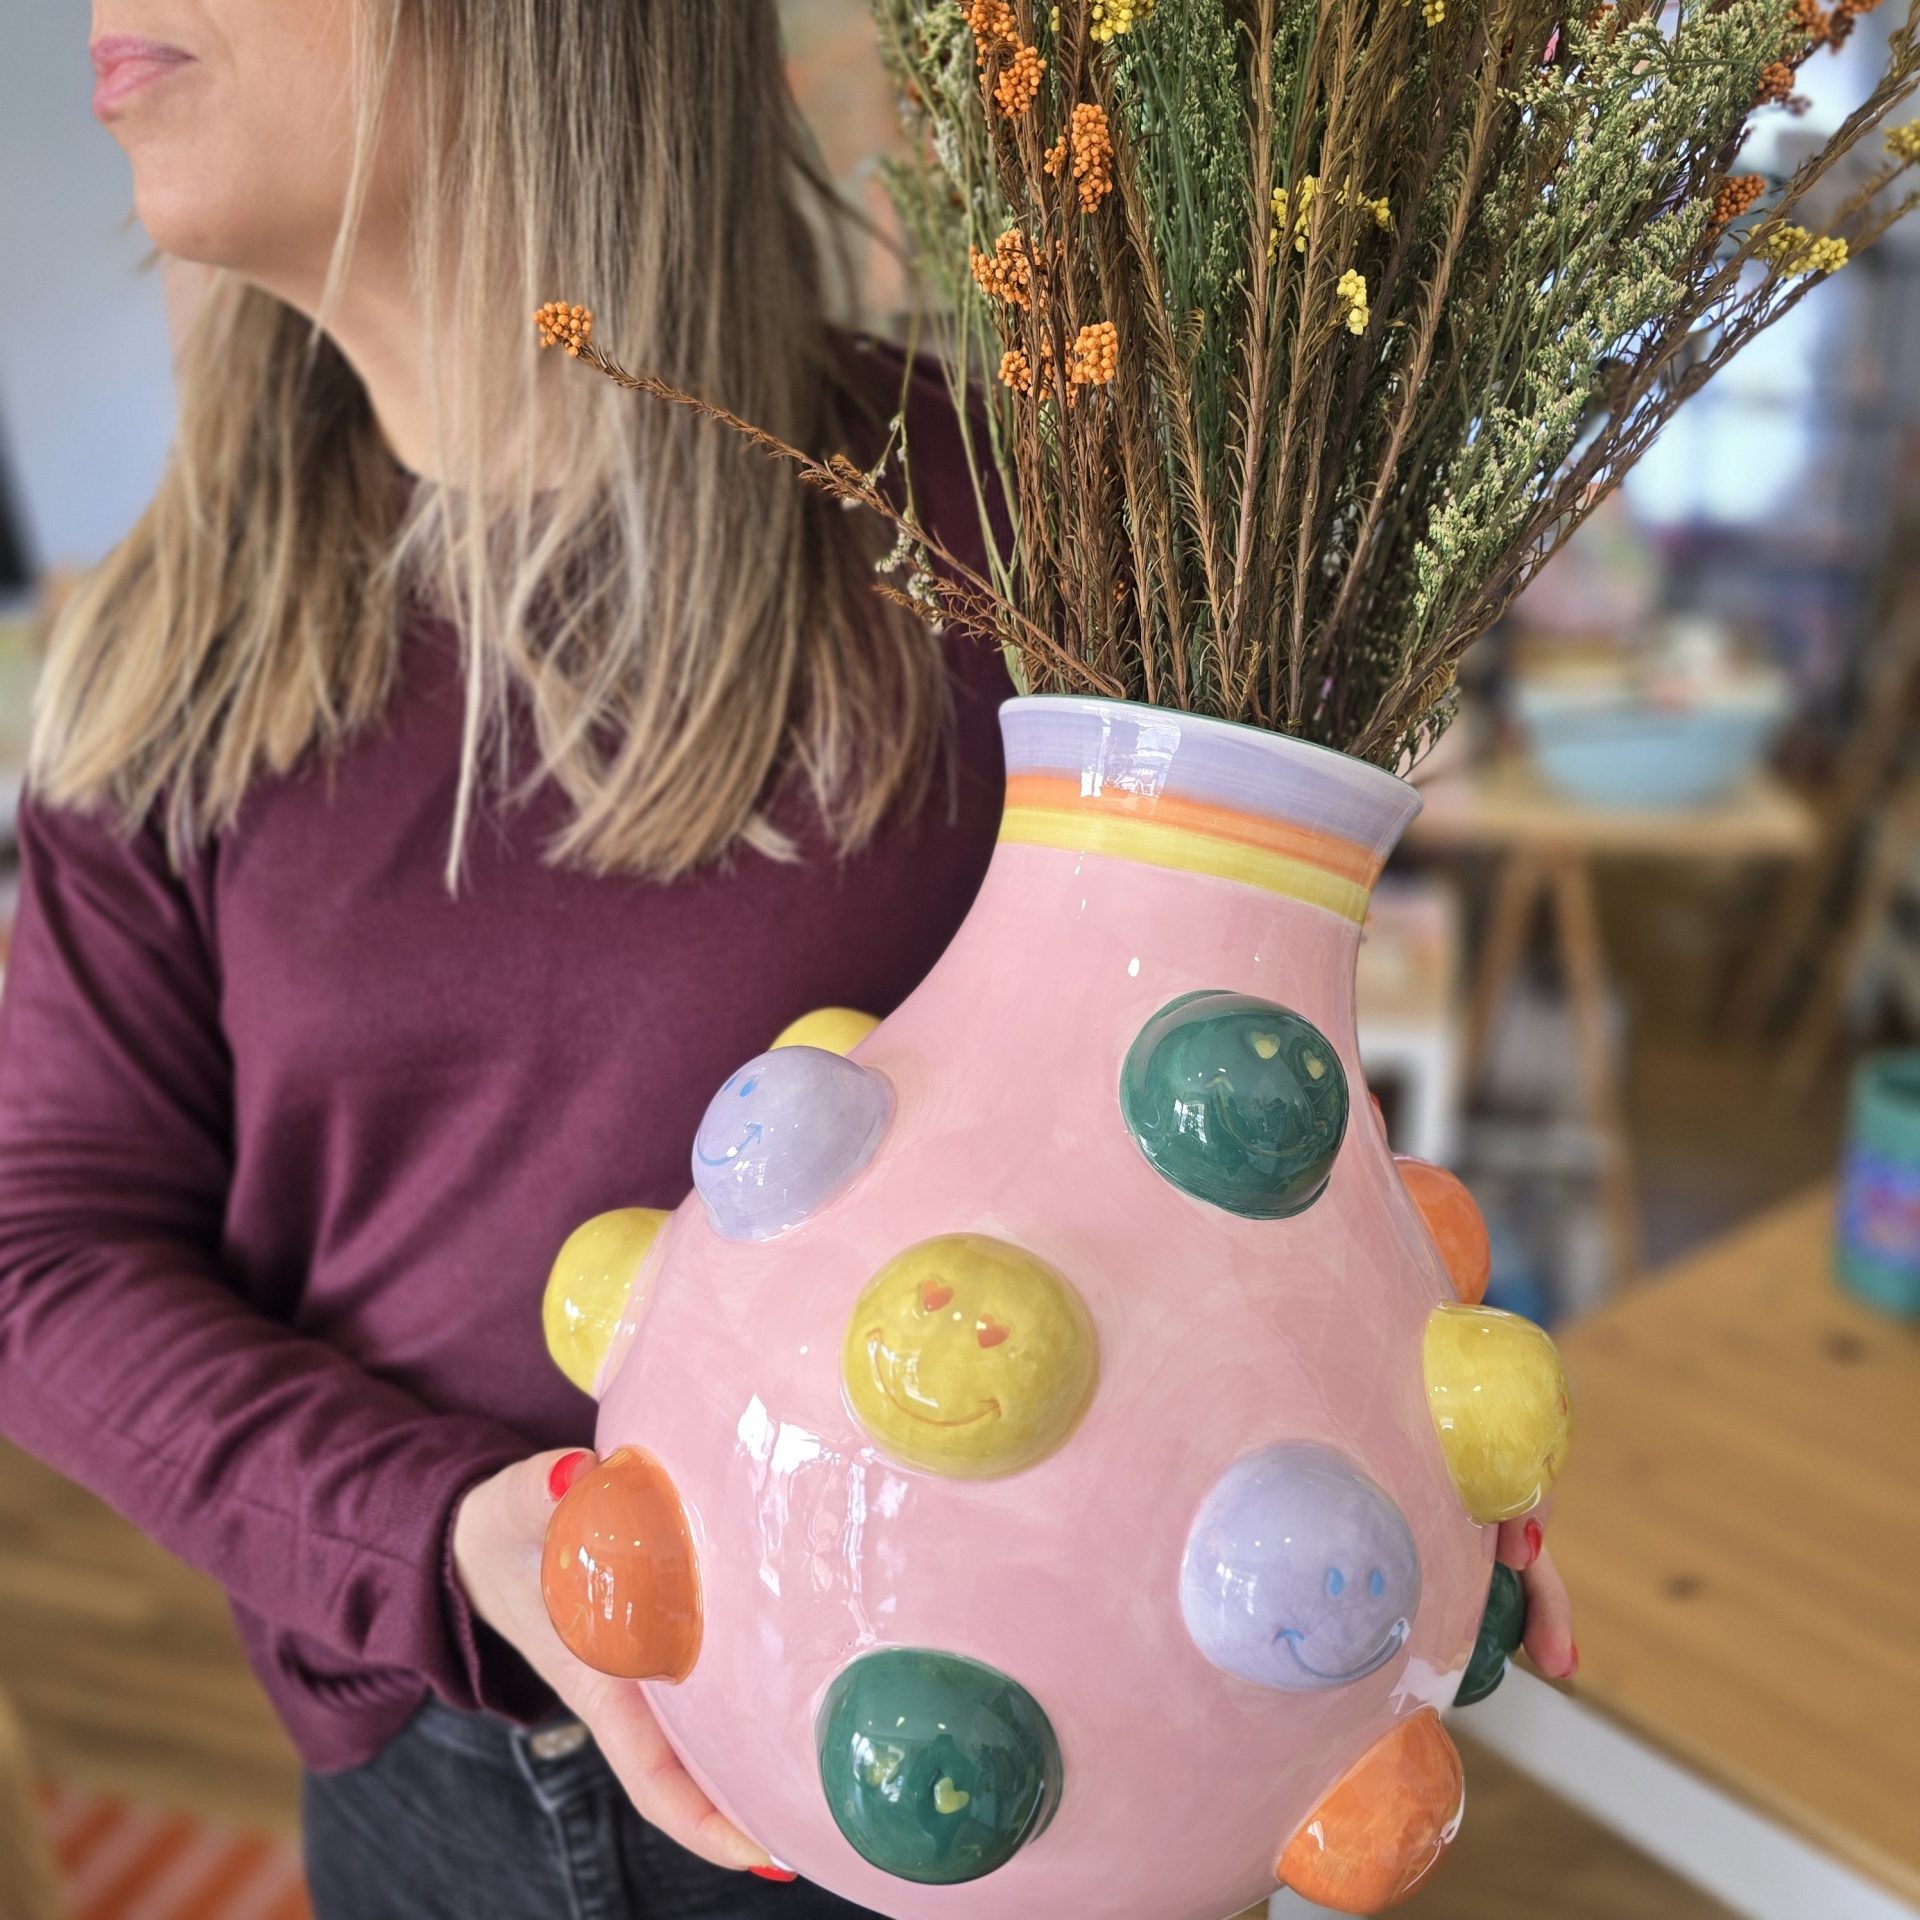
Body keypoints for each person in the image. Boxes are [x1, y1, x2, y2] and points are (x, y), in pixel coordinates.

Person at [1, 4, 1574, 1918]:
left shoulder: (1017, 531)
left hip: (995, 1781)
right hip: (447, 1770)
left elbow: (1226, 1080)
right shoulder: (164, 659)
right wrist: (457, 1535)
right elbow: (42, 1246)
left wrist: (1370, 1412)